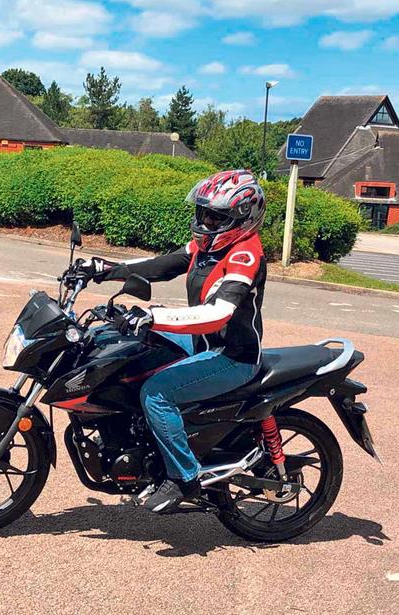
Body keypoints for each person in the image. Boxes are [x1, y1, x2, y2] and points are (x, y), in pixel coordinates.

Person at [80, 170, 267, 514]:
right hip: (201, 344)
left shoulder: (245, 255)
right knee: (121, 347)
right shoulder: (205, 246)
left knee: (156, 393)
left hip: (232, 356)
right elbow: (161, 265)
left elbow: (219, 313)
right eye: (203, 213)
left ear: (242, 217)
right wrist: (103, 269)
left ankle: (184, 477)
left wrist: (154, 316)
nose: (206, 221)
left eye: (216, 216)